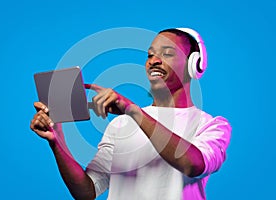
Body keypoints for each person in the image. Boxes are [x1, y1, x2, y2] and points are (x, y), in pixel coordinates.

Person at [30, 28, 231, 200]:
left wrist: (131, 110)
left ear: (193, 64)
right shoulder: (120, 125)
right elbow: (86, 192)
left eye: (167, 53)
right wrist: (57, 141)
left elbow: (192, 165)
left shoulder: (212, 125)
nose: (154, 61)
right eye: (150, 55)